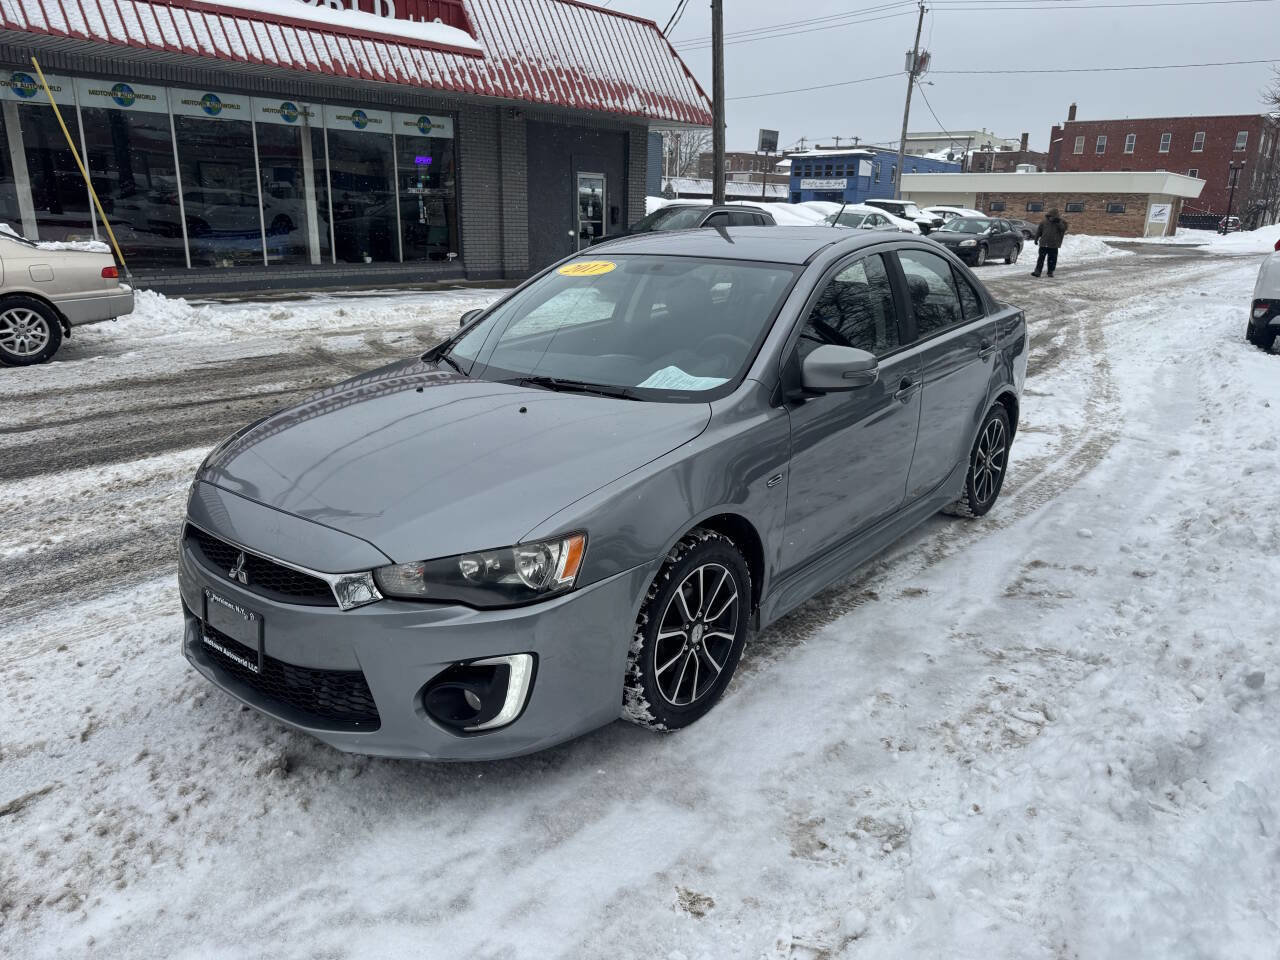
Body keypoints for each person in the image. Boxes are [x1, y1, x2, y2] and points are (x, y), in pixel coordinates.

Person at [1031, 208, 1069, 277]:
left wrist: (1058, 222)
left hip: (1054, 244)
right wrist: (1036, 239)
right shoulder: (1044, 222)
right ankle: (1037, 272)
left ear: (1056, 216)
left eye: (1053, 216)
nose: (1051, 217)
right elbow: (1039, 231)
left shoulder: (1061, 222)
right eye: (1050, 216)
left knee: (1052, 259)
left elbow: (1063, 229)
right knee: (1041, 258)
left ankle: (1050, 272)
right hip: (1044, 243)